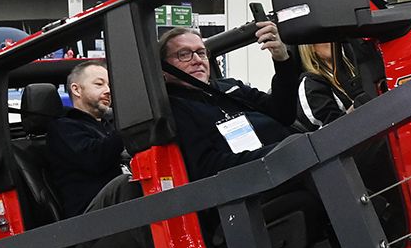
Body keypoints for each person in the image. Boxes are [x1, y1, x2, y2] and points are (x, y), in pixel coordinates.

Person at [157, 25, 303, 181]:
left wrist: (282, 61)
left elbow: (283, 114)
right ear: (164, 67)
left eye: (201, 53)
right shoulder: (173, 107)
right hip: (264, 181)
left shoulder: (230, 86)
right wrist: (280, 154)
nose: (198, 60)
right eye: (184, 54)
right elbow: (207, 167)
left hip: (298, 157)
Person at [45, 60, 129, 217]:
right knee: (127, 184)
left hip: (118, 208)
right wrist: (129, 125)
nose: (108, 90)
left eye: (109, 85)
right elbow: (96, 158)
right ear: (76, 90)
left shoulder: (107, 125)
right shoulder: (63, 128)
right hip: (90, 217)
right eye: (99, 84)